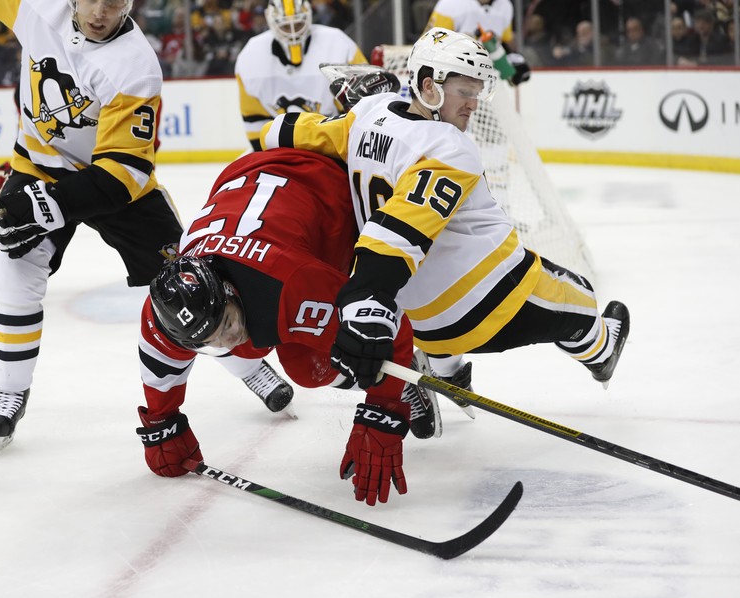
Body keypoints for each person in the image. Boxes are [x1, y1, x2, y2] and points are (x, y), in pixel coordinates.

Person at [0, 0, 279, 455]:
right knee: (12, 272)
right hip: (40, 167)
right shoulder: (35, 7)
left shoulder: (135, 66)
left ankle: (249, 366)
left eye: (115, 2)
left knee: (188, 283)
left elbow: (122, 174)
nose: (100, 12)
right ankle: (11, 391)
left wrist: (48, 206)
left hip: (116, 188)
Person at [261, 28, 630, 439]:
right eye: (463, 90)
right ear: (427, 87)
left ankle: (448, 372)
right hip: (492, 301)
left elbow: (283, 131)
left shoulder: (365, 116)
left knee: (434, 271)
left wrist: (298, 118)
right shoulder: (446, 146)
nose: (473, 104)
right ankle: (602, 352)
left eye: (477, 90)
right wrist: (365, 301)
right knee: (581, 298)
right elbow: (399, 235)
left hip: (415, 321)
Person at [137, 148, 433, 507]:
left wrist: (384, 407)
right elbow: (162, 360)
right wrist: (160, 420)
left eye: (226, 322)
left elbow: (386, 322)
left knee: (308, 368)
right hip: (249, 177)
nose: (226, 339)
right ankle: (250, 352)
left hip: (326, 190)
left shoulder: (295, 286)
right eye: (210, 342)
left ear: (229, 290)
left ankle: (405, 378)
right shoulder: (169, 308)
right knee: (247, 342)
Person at [234, 0, 367, 151]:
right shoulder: (251, 55)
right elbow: (255, 119)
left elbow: (361, 110)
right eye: (285, 26)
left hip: (333, 142)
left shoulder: (339, 44)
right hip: (281, 147)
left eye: (298, 24)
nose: (293, 32)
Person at [425, 0, 530, 86]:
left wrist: (513, 62)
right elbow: (428, 45)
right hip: (454, 81)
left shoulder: (504, 6)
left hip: (488, 84)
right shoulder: (450, 4)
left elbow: (505, 41)